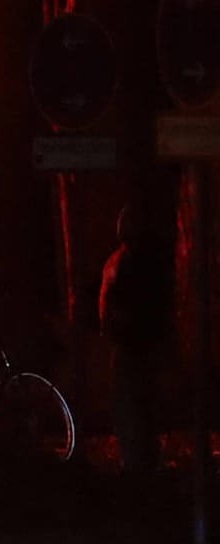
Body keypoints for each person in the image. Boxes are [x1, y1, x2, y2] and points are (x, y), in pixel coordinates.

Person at [100, 202, 174, 474]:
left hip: (130, 344)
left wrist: (109, 327)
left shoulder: (120, 262)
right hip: (145, 342)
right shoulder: (153, 263)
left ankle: (135, 459)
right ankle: (145, 458)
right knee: (144, 402)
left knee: (130, 403)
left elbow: (107, 303)